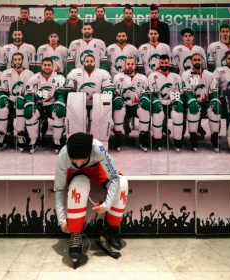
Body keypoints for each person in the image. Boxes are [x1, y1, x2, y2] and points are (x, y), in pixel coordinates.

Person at [54, 132, 128, 268]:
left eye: (83, 160)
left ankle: (109, 230)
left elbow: (115, 178)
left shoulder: (98, 148)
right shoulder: (63, 156)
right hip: (75, 174)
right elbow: (58, 190)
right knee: (79, 186)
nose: (79, 164)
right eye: (75, 161)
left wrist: (107, 205)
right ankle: (75, 234)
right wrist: (61, 220)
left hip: (96, 169)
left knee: (123, 183)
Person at [0, 52, 34, 152]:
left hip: (22, 99)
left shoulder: (29, 74)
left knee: (21, 108)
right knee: (2, 108)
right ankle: (2, 134)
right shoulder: (6, 73)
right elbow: (2, 89)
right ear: (12, 61)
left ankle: (21, 135)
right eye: (15, 59)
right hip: (10, 98)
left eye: (19, 59)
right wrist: (3, 97)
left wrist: (23, 98)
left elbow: (30, 90)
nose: (17, 61)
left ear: (22, 60)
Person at [23, 57, 66, 154]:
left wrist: (60, 102)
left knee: (59, 113)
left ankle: (57, 139)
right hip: (39, 105)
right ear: (41, 66)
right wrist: (29, 103)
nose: (47, 67)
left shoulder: (58, 78)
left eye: (49, 65)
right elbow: (29, 93)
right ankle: (33, 139)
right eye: (45, 65)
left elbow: (60, 93)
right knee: (31, 114)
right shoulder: (34, 78)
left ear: (52, 67)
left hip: (52, 104)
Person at [181, 53, 220, 151]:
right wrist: (191, 100)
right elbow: (186, 90)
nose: (197, 62)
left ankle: (214, 137)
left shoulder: (210, 75)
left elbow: (214, 90)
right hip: (192, 101)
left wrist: (214, 100)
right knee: (193, 112)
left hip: (206, 101)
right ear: (191, 62)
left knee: (215, 111)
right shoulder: (186, 74)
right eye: (195, 60)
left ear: (202, 61)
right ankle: (193, 137)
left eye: (199, 60)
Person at [112, 57, 151, 152]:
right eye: (128, 64)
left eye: (132, 64)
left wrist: (145, 98)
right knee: (118, 110)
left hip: (137, 104)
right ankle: (119, 139)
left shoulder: (142, 78)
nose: (130, 66)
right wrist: (117, 98)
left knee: (144, 110)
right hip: (124, 104)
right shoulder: (117, 77)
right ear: (125, 65)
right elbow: (115, 92)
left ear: (135, 65)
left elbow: (145, 92)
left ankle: (143, 140)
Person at [147, 54, 184, 151]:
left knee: (178, 115)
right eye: (162, 63)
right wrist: (155, 101)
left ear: (169, 63)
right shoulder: (153, 75)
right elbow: (152, 92)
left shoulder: (176, 76)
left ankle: (177, 140)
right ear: (159, 63)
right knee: (158, 115)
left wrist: (177, 101)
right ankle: (157, 139)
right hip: (159, 102)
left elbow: (178, 92)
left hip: (171, 103)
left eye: (166, 63)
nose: (164, 64)